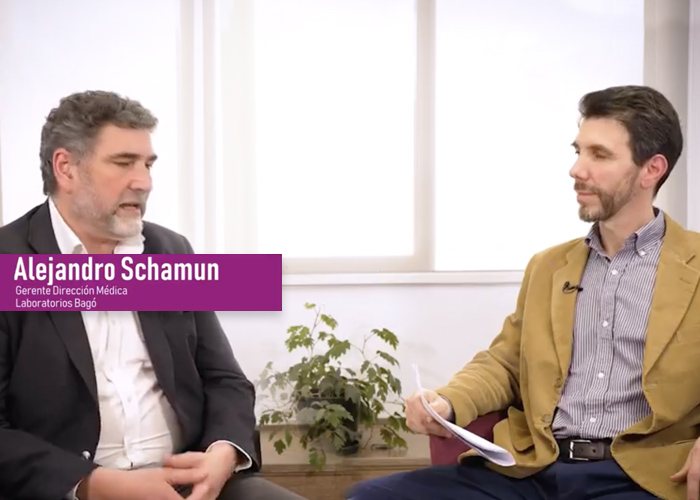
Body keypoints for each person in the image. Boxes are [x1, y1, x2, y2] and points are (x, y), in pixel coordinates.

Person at [346, 84, 700, 500]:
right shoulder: (548, 267)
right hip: (533, 468)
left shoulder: (693, 267)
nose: (577, 170)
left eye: (599, 155)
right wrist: (447, 402)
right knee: (370, 497)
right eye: (578, 151)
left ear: (651, 169)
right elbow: (506, 363)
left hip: (639, 479)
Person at [0, 90, 307, 500]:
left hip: (190, 485)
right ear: (66, 168)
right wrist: (97, 484)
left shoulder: (171, 251)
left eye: (148, 164)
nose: (144, 182)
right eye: (123, 162)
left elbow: (225, 379)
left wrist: (222, 454)